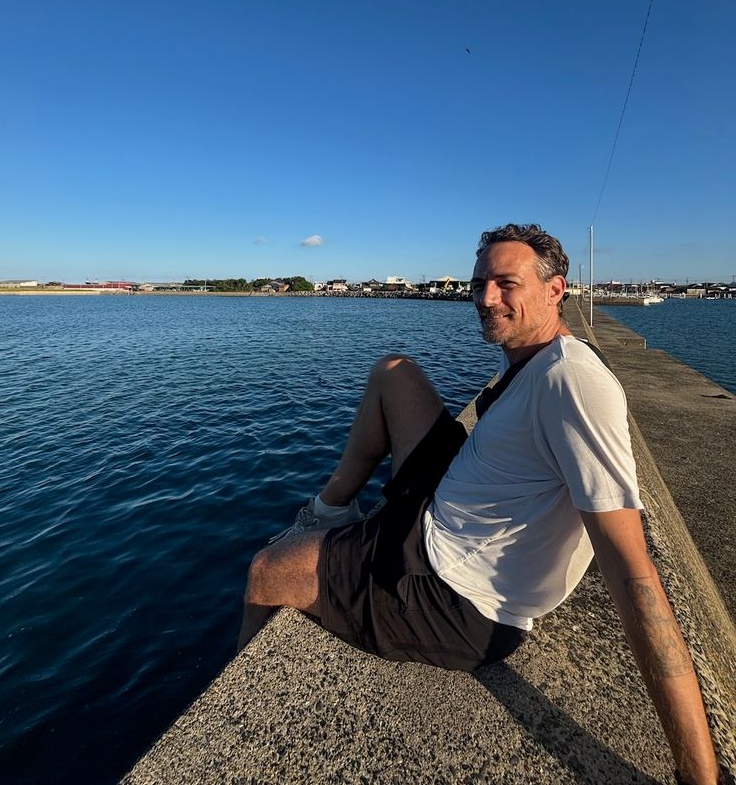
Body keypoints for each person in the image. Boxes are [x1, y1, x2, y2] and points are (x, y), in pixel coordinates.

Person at [239, 223, 721, 785]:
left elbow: (635, 579)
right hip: (451, 506)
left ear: (555, 289)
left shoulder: (573, 385)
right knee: (395, 373)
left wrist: (697, 775)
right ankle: (330, 513)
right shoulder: (533, 356)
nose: (486, 299)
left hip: (455, 593)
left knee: (268, 570)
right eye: (479, 284)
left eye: (506, 284)